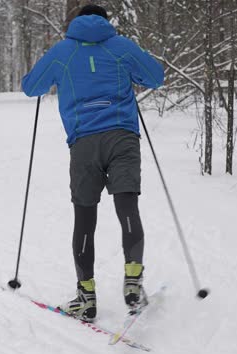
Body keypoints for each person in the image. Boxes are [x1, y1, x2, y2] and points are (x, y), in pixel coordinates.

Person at [21, 4, 164, 322]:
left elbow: (31, 87)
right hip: (122, 137)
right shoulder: (121, 46)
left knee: (84, 217)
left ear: (75, 23)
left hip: (83, 143)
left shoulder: (62, 51)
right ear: (105, 21)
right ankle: (133, 281)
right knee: (127, 206)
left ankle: (86, 297)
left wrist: (43, 77)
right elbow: (156, 77)